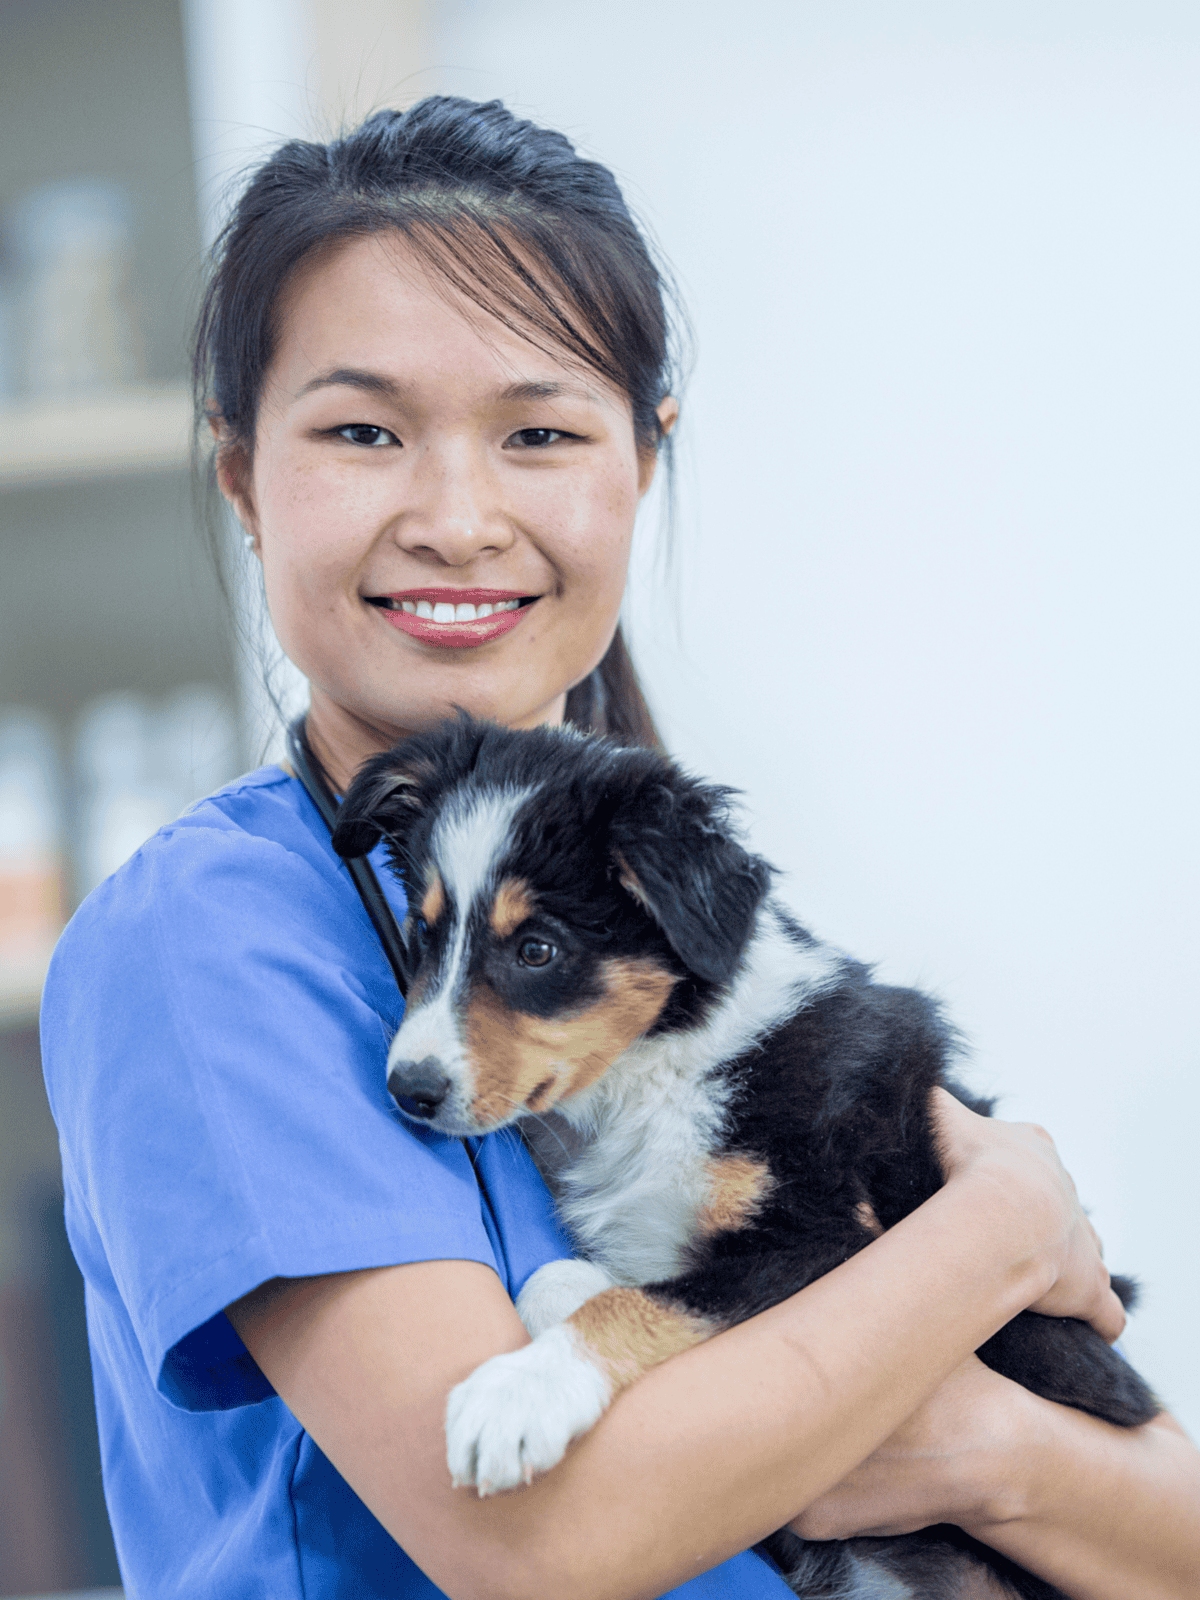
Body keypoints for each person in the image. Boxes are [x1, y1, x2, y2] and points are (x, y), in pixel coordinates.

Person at [40, 97, 1200, 1600]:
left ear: (641, 461)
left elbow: (1173, 1536)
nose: (458, 518)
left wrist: (990, 1449)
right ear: (243, 475)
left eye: (537, 432)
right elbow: (540, 1546)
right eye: (362, 430)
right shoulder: (219, 940)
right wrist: (1001, 1224)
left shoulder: (658, 924)